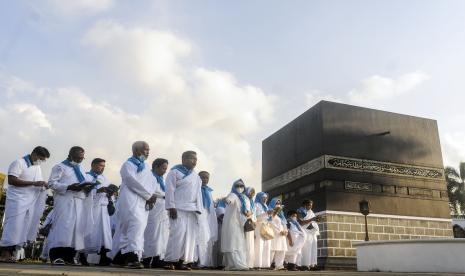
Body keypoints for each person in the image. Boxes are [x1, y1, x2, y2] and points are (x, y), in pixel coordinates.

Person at [110, 141, 158, 268]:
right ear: (136, 151)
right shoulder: (128, 164)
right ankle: (131, 258)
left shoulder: (147, 167)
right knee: (133, 227)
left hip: (142, 202)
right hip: (129, 200)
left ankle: (119, 258)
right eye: (145, 150)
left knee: (137, 229)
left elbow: (152, 183)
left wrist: (152, 196)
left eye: (149, 150)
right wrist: (148, 195)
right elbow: (131, 182)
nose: (148, 152)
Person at [0, 146, 50, 263]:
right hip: (17, 201)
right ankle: (4, 253)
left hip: (30, 202)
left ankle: (11, 253)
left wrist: (42, 185)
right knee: (13, 226)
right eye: (40, 158)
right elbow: (12, 180)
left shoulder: (37, 167)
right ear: (34, 154)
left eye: (43, 160)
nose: (41, 161)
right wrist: (34, 183)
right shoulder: (18, 163)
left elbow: (37, 183)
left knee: (22, 228)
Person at [47, 146, 94, 265]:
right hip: (65, 201)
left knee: (75, 230)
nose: (79, 160)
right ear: (70, 155)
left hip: (79, 201)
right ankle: (57, 256)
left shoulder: (81, 169)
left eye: (82, 158)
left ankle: (69, 256)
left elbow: (83, 183)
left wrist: (87, 188)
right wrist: (68, 187)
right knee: (63, 227)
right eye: (77, 158)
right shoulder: (60, 167)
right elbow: (51, 183)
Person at [164, 151, 203, 271]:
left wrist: (199, 209)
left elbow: (198, 194)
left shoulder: (196, 176)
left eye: (196, 159)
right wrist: (171, 206)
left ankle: (182, 261)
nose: (195, 161)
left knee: (189, 237)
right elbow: (169, 190)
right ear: (184, 159)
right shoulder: (174, 172)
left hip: (192, 210)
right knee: (177, 235)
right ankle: (170, 260)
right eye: (192, 159)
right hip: (178, 208)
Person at [83, 158, 113, 266]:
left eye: (104, 166)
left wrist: (110, 194)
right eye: (100, 165)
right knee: (89, 231)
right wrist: (97, 190)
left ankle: (104, 257)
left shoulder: (104, 178)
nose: (102, 168)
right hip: (90, 208)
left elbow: (108, 194)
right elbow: (83, 192)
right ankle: (83, 256)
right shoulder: (86, 176)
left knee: (104, 234)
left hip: (103, 209)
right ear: (93, 165)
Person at [142, 158, 170, 268]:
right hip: (153, 208)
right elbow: (149, 191)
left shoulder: (161, 179)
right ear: (156, 167)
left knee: (162, 235)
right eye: (163, 168)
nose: (165, 171)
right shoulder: (149, 177)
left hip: (162, 209)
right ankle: (146, 258)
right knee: (151, 233)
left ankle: (158, 258)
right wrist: (164, 195)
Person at [221, 179, 249, 271]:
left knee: (239, 243)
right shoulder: (232, 195)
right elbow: (229, 200)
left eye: (241, 186)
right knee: (232, 243)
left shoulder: (244, 198)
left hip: (239, 224)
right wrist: (226, 200)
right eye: (237, 186)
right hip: (231, 224)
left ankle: (239, 264)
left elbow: (246, 211)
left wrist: (248, 213)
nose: (239, 188)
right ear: (234, 187)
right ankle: (234, 265)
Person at [196, 171, 218, 269]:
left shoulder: (209, 191)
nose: (205, 180)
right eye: (203, 177)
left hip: (208, 219)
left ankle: (206, 262)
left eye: (207, 178)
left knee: (208, 241)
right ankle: (200, 262)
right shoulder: (196, 189)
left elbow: (211, 209)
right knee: (200, 240)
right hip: (199, 218)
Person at [298, 199, 320, 271]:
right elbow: (301, 223)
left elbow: (313, 221)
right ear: (305, 205)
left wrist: (317, 220)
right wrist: (312, 219)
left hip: (312, 233)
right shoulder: (300, 211)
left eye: (311, 205)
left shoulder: (311, 212)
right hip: (305, 232)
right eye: (309, 205)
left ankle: (312, 265)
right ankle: (304, 265)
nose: (311, 207)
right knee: (306, 249)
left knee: (313, 249)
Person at [253, 192, 272, 269]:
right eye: (263, 197)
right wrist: (266, 214)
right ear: (259, 198)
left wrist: (271, 215)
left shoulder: (266, 206)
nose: (265, 199)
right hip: (258, 227)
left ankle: (265, 265)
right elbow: (255, 217)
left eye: (266, 198)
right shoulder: (256, 205)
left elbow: (268, 217)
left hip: (266, 227)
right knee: (259, 246)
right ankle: (257, 265)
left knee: (266, 246)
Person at [268, 198, 288, 270]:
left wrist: (285, 231)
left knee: (282, 250)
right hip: (274, 234)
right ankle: (268, 265)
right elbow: (270, 222)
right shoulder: (270, 211)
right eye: (276, 203)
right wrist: (280, 231)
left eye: (279, 203)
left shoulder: (281, 213)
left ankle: (279, 265)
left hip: (282, 235)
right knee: (272, 249)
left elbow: (284, 223)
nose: (278, 205)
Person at [244, 187, 256, 269]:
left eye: (253, 193)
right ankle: (246, 264)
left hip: (252, 224)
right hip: (246, 223)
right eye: (250, 193)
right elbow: (246, 212)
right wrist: (251, 217)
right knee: (246, 244)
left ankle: (250, 264)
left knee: (251, 245)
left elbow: (253, 214)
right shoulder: (244, 200)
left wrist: (254, 221)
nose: (251, 195)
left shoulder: (252, 202)